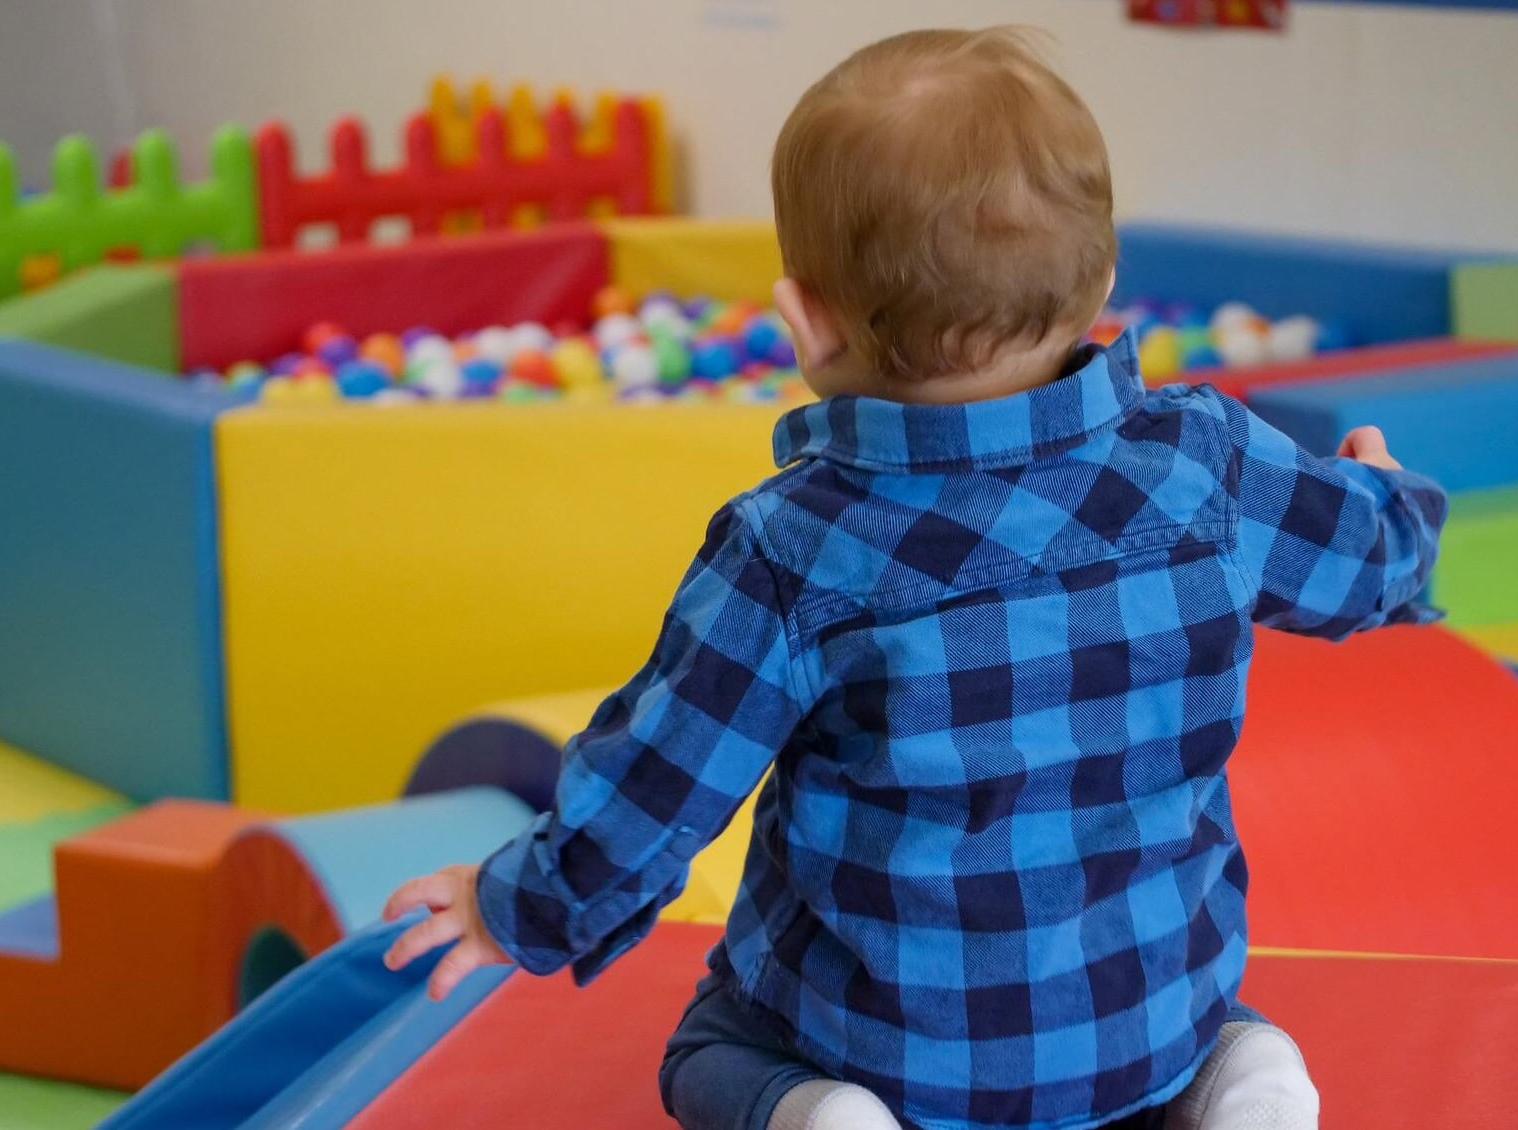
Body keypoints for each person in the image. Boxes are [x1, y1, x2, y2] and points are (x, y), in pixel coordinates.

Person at [383, 26, 1446, 1130]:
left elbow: (661, 779)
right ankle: (1243, 1081)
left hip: (891, 1047)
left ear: (804, 320)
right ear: (1105, 285)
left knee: (708, 1048)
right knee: (1211, 1012)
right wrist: (1391, 496)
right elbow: (1374, 558)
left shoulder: (790, 544)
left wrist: (518, 906)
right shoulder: (1205, 461)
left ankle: (828, 1115)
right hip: (1140, 1026)